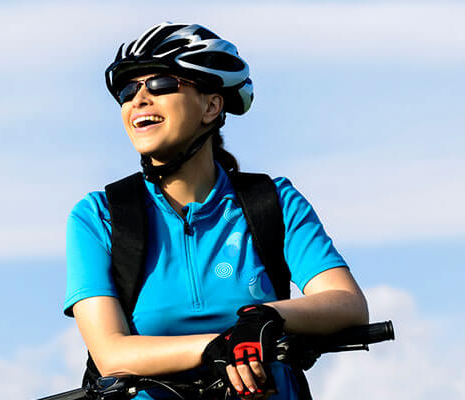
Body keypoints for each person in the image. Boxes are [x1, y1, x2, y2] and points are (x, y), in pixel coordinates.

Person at [62, 23, 369, 400]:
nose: (139, 99)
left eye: (160, 84)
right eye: (128, 90)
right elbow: (110, 353)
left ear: (212, 105)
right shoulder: (99, 216)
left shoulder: (273, 202)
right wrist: (218, 347)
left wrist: (264, 317)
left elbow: (347, 303)